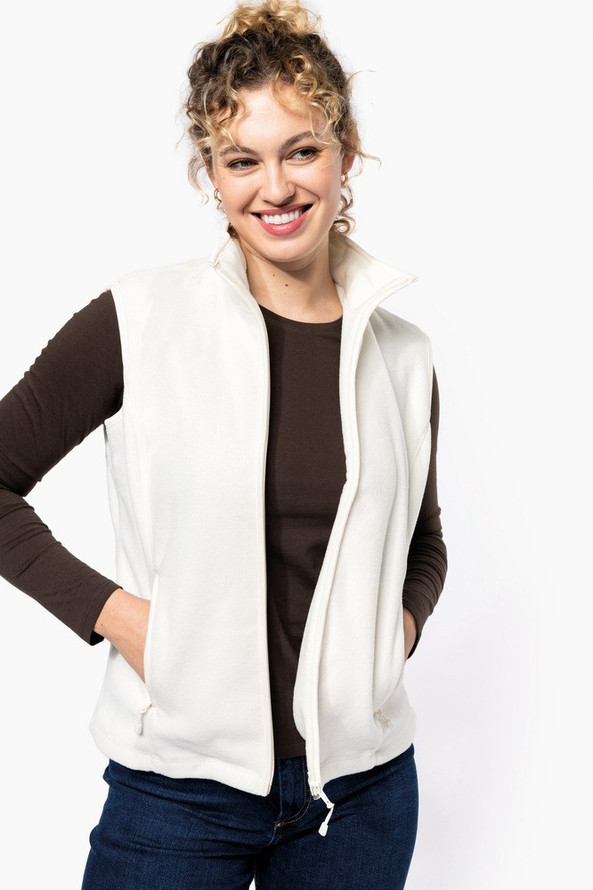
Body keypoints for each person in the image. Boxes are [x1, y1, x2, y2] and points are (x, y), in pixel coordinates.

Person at [0, 1, 447, 887]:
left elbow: (422, 540)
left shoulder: (403, 355)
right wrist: (118, 617)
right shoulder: (139, 319)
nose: (274, 188)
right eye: (242, 160)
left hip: (359, 798)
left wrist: (396, 631)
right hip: (176, 793)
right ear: (211, 173)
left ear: (345, 151)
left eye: (301, 151)